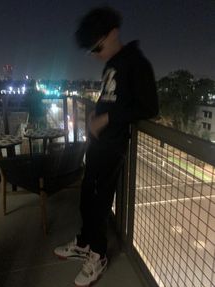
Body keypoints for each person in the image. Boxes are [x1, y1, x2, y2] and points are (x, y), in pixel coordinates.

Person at [54, 6, 159, 287]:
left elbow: (149, 107)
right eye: (92, 51)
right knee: (87, 195)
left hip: (113, 145)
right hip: (100, 142)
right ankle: (85, 243)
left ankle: (98, 255)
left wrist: (108, 118)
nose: (95, 54)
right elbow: (111, 99)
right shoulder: (112, 64)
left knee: (99, 203)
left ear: (112, 34)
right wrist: (96, 115)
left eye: (96, 47)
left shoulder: (136, 63)